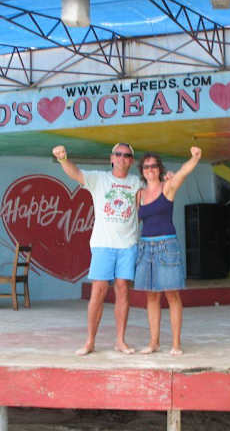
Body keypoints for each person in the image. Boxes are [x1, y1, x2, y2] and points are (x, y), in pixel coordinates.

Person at [52, 143, 141, 356]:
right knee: (98, 291)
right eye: (118, 154)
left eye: (126, 155)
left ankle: (120, 341)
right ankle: (90, 341)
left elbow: (153, 194)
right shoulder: (99, 179)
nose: (122, 158)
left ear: (131, 161)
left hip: (128, 245)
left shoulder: (137, 182)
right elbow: (76, 173)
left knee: (123, 291)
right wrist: (63, 159)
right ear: (111, 158)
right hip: (103, 244)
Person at [134, 146, 202, 355]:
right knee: (151, 297)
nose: (150, 169)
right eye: (146, 167)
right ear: (142, 171)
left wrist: (195, 157)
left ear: (160, 169)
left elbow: (183, 172)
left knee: (172, 295)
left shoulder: (168, 187)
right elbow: (135, 221)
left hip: (166, 246)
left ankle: (176, 344)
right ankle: (153, 343)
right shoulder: (139, 194)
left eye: (154, 166)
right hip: (146, 247)